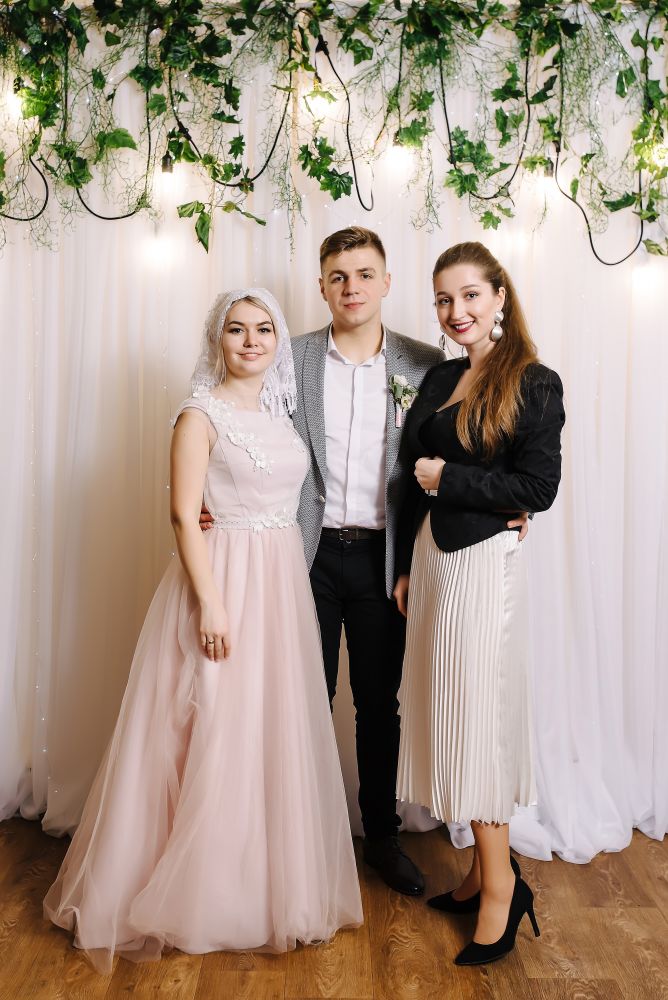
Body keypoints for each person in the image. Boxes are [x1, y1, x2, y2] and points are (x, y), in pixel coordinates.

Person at [44, 288, 362, 972]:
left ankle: (261, 881)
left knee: (266, 726)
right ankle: (196, 887)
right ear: (217, 340)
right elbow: (185, 516)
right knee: (210, 720)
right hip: (224, 582)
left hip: (279, 583)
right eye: (236, 330)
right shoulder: (198, 415)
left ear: (278, 339)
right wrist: (211, 604)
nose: (251, 341)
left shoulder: (282, 411)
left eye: (264, 329)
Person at [202, 228, 527, 895]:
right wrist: (209, 499)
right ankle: (297, 841)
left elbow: (466, 445)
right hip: (302, 556)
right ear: (322, 286)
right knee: (302, 699)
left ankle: (381, 836)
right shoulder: (288, 356)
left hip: (389, 562)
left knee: (381, 705)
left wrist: (509, 504)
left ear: (386, 283)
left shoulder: (427, 363)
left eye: (364, 274)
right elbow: (234, 420)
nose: (352, 288)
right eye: (338, 276)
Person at [393, 242, 565, 965]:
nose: (455, 310)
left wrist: (451, 481)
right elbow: (410, 472)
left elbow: (537, 488)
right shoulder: (441, 376)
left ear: (499, 296)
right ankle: (477, 872)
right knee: (450, 717)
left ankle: (502, 888)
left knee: (478, 722)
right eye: (443, 299)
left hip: (483, 567)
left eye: (469, 295)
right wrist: (405, 565)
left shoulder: (535, 382)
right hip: (433, 564)